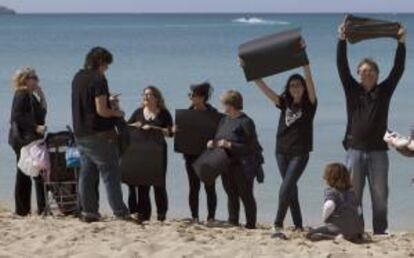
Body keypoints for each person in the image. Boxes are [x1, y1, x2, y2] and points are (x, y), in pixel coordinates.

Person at [337, 23, 406, 234]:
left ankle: (379, 230)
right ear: (358, 73)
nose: (367, 73)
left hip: (378, 151)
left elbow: (398, 70)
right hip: (354, 150)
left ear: (377, 74)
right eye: (363, 71)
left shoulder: (384, 91)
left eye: (371, 71)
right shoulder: (352, 90)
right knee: (353, 194)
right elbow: (342, 67)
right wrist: (341, 40)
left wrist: (401, 43)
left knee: (380, 194)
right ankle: (355, 228)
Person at [253, 61, 317, 232]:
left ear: (304, 88)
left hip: (300, 153)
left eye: (298, 85)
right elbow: (265, 90)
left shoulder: (310, 105)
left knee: (286, 187)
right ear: (288, 89)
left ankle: (277, 223)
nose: (295, 88)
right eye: (292, 85)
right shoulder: (284, 103)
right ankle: (298, 225)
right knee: (291, 189)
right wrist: (251, 72)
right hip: (281, 152)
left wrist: (305, 64)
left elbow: (310, 80)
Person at [71, 46, 129, 222]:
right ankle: (120, 211)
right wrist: (118, 113)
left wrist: (107, 100)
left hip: (80, 132)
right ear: (101, 63)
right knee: (110, 173)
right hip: (99, 133)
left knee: (87, 173)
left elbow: (87, 102)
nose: (107, 68)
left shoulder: (78, 77)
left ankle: (89, 211)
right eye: (107, 65)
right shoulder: (99, 79)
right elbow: (102, 110)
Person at [208, 90, 263, 229]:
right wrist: (212, 143)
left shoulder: (246, 122)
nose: (222, 107)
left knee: (246, 195)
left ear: (231, 105)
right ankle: (233, 221)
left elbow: (251, 147)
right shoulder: (224, 120)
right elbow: (218, 137)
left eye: (224, 104)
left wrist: (229, 144)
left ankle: (251, 224)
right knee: (230, 193)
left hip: (243, 165)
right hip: (225, 163)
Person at [128, 86, 173, 223]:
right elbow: (127, 128)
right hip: (141, 151)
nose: (145, 97)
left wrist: (155, 128)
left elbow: (170, 133)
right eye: (144, 94)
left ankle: (161, 214)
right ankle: (144, 215)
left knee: (159, 183)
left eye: (149, 94)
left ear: (156, 97)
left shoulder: (164, 113)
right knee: (143, 183)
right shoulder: (138, 112)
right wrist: (134, 125)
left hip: (158, 151)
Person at [8, 67, 47, 216]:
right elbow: (16, 117)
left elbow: (42, 114)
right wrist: (35, 127)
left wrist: (41, 95)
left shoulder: (30, 95)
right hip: (24, 139)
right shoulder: (21, 93)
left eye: (37, 77)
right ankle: (28, 209)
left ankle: (26, 209)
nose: (37, 80)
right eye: (34, 77)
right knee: (30, 171)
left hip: (29, 139)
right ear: (26, 79)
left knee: (30, 171)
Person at [180, 82, 218, 223]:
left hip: (208, 156)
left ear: (201, 97)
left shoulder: (213, 114)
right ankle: (195, 217)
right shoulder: (187, 114)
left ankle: (211, 217)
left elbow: (219, 134)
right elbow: (182, 136)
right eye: (189, 95)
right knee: (193, 187)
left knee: (209, 186)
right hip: (190, 155)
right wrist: (177, 131)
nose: (190, 97)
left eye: (192, 95)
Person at [306, 163, 364, 242]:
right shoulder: (352, 193)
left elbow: (329, 206)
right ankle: (353, 235)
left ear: (329, 178)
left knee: (310, 234)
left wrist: (324, 218)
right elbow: (359, 210)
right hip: (356, 229)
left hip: (337, 228)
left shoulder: (331, 192)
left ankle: (333, 237)